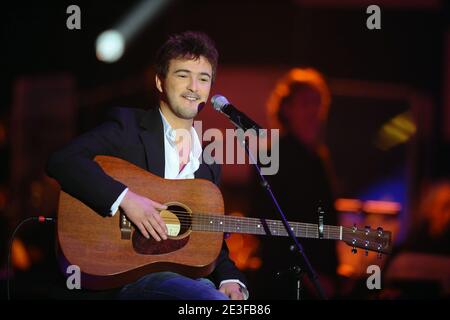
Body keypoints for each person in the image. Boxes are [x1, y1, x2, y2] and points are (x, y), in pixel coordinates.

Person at [46, 31, 248, 300]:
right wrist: (125, 199)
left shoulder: (209, 162)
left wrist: (230, 278)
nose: (193, 87)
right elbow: (62, 161)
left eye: (203, 78)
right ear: (160, 81)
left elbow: (208, 239)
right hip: (127, 276)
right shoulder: (128, 127)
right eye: (182, 74)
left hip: (184, 280)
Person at [249, 68, 338, 299]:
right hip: (283, 282)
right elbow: (267, 226)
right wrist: (309, 275)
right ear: (287, 109)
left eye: (318, 103)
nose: (315, 111)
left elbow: (327, 219)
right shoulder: (270, 158)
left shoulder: (318, 159)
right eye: (306, 103)